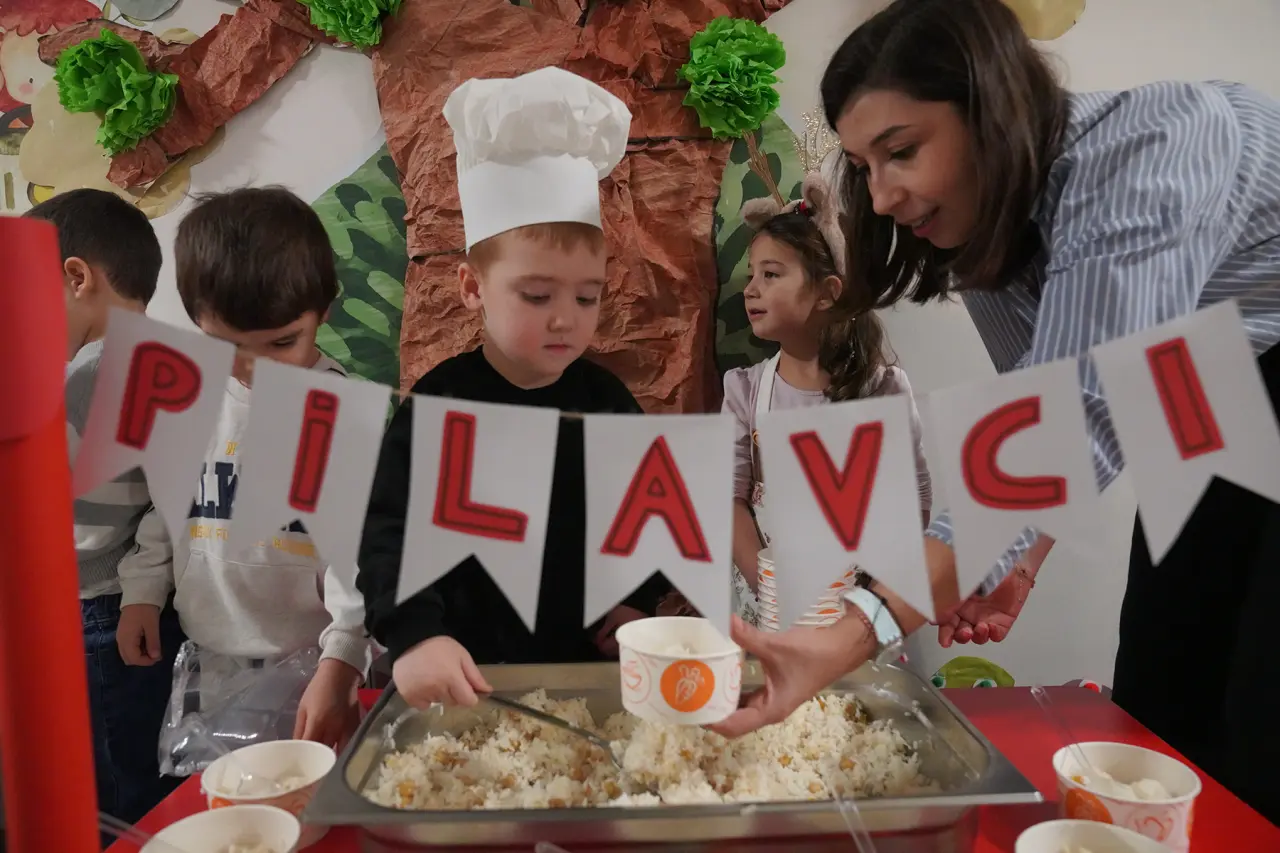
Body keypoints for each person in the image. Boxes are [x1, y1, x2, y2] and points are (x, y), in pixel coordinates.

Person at [714, 0, 1280, 826]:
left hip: (1257, 365)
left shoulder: (1152, 150)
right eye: (865, 166)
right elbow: (1037, 415)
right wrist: (1016, 560)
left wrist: (849, 633)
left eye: (902, 151)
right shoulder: (985, 235)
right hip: (1205, 391)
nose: (884, 195)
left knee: (1261, 705)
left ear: (991, 106)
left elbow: (1067, 428)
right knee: (1166, 681)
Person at [357, 67, 671, 711]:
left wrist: (634, 599)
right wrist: (416, 635)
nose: (565, 319)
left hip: (587, 679)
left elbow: (650, 521)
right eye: (537, 295)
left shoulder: (608, 405)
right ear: (473, 287)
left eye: (586, 297)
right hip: (468, 679)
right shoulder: (441, 403)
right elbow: (390, 533)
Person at [115, 188, 374, 751]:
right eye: (227, 346)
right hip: (207, 655)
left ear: (323, 312)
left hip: (314, 662)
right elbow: (167, 505)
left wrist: (343, 657)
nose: (255, 367)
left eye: (282, 342)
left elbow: (361, 556)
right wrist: (143, 590)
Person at [26, 189, 185, 826]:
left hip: (103, 611)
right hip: (130, 604)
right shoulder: (157, 358)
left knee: (118, 794)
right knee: (137, 779)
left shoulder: (93, 375)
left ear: (76, 277)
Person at [724, 171, 932, 629]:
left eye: (771, 274)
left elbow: (912, 500)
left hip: (857, 613)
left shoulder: (883, 390)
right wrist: (776, 592)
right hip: (771, 611)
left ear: (826, 293)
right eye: (752, 274)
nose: (751, 289)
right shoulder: (744, 393)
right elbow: (728, 502)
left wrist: (871, 600)